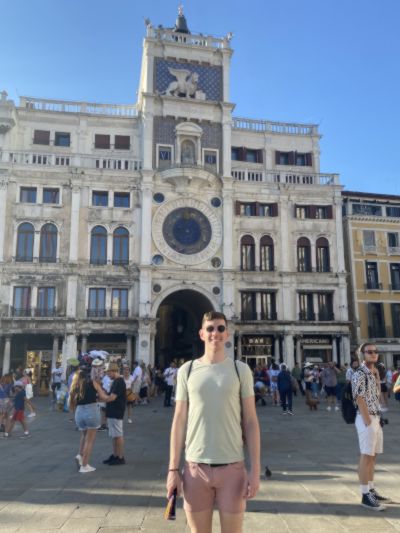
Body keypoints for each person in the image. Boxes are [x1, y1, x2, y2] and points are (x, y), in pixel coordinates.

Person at [166, 311, 260, 533]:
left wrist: (255, 470)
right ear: (201, 333)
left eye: (220, 328)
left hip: (233, 469)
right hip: (195, 468)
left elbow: (251, 421)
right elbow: (179, 420)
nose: (215, 333)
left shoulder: (241, 369)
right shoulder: (186, 371)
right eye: (210, 328)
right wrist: (173, 468)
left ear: (227, 333)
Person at [352, 342, 392, 510]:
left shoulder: (374, 372)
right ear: (362, 355)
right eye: (369, 352)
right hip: (365, 418)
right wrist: (368, 420)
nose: (374, 354)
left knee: (373, 456)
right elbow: (359, 397)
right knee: (366, 456)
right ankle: (365, 495)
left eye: (376, 351)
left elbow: (375, 397)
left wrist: (378, 418)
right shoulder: (360, 373)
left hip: (375, 418)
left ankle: (371, 489)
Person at [94, 362, 126, 466]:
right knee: (114, 435)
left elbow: (112, 397)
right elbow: (109, 395)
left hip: (116, 411)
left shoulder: (119, 381)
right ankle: (115, 455)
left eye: (108, 373)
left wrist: (101, 397)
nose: (107, 375)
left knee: (118, 435)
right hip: (112, 411)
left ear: (114, 371)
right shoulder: (115, 381)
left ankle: (120, 457)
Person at [69, 368, 100, 473]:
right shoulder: (92, 383)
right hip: (90, 411)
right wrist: (111, 398)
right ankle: (84, 466)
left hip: (79, 413)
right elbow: (102, 396)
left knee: (84, 435)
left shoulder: (75, 386)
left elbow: (71, 404)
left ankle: (80, 455)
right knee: (89, 440)